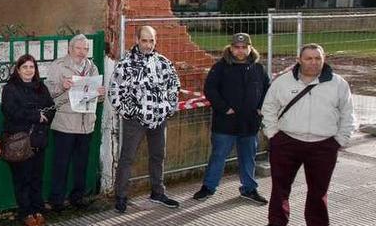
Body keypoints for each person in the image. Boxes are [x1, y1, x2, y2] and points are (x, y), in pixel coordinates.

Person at [260, 44, 355, 226]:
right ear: (299, 59)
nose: (313, 62)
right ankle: (277, 222)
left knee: (319, 190)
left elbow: (348, 115)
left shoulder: (338, 84)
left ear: (324, 59)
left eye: (317, 58)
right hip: (287, 141)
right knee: (280, 186)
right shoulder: (283, 82)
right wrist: (272, 134)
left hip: (323, 145)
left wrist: (340, 140)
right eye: (308, 58)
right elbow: (268, 108)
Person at [108, 25, 180, 213]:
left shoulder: (164, 62)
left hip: (159, 119)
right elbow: (115, 91)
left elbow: (174, 86)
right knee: (127, 158)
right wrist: (130, 112)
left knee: (158, 156)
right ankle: (121, 197)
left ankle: (158, 192)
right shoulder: (126, 64)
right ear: (137, 40)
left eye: (151, 41)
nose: (148, 45)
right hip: (135, 121)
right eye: (144, 40)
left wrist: (168, 108)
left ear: (155, 41)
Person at [193, 33, 270, 204]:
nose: (240, 51)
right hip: (225, 123)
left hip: (250, 123)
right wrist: (224, 108)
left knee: (248, 157)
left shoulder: (258, 68)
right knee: (218, 156)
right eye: (237, 47)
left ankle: (249, 189)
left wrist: (260, 107)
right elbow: (210, 89)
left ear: (250, 48)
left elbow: (267, 89)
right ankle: (208, 187)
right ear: (231, 48)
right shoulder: (220, 67)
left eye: (244, 47)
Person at [45, 34, 105, 212]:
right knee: (61, 164)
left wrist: (101, 93)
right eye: (78, 48)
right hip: (65, 122)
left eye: (86, 49)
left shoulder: (91, 67)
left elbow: (98, 98)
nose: (82, 52)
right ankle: (56, 200)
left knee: (81, 164)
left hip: (86, 124)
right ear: (70, 49)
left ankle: (77, 197)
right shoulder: (59, 65)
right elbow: (48, 93)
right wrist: (62, 86)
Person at [1, 55, 56, 226]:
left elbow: (51, 107)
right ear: (18, 70)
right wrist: (35, 116)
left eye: (31, 67)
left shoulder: (41, 87)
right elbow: (10, 111)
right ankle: (26, 212)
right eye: (24, 67)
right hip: (20, 142)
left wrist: (45, 117)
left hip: (38, 140)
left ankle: (37, 209)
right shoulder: (10, 89)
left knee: (36, 177)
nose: (28, 70)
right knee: (22, 179)